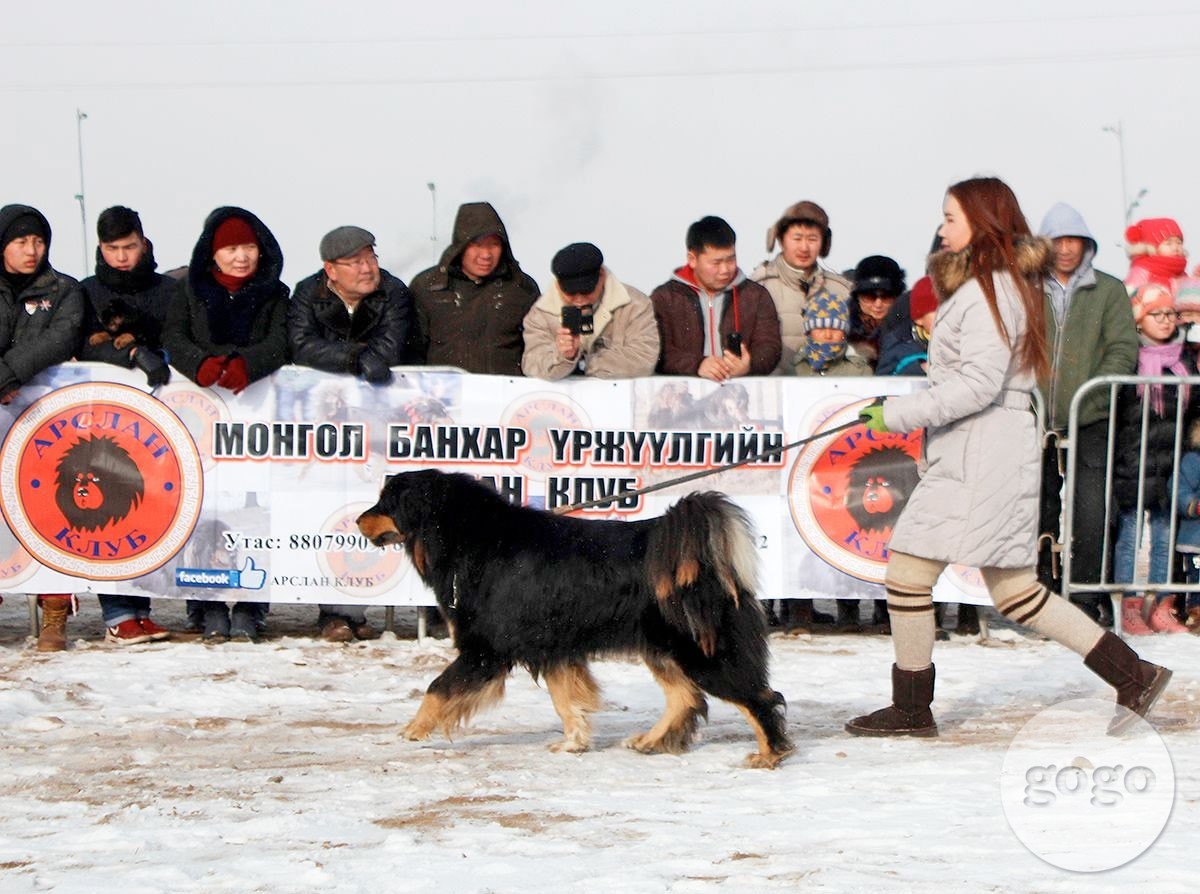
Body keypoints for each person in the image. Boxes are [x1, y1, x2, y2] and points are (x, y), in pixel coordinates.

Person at [847, 177, 1170, 738]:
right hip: (982, 451)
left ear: (981, 220)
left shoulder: (989, 291)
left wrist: (896, 415)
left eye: (951, 216)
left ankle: (912, 709)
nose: (942, 227)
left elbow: (975, 385)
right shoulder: (990, 286)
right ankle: (1133, 675)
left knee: (911, 574)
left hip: (982, 455)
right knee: (1015, 592)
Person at [164, 206, 290, 642]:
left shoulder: (276, 293)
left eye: (248, 247)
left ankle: (253, 605)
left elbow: (279, 342)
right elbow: (174, 338)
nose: (241, 257)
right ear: (213, 254)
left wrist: (247, 363)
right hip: (201, 419)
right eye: (231, 249)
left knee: (255, 510)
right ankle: (205, 603)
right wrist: (200, 362)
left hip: (256, 417)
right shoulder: (188, 291)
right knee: (205, 507)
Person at [289, 224, 414, 642]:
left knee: (376, 503)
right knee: (330, 505)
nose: (368, 268)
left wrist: (365, 361)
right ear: (331, 269)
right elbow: (301, 345)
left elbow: (393, 346)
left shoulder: (393, 292)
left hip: (383, 421)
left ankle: (371, 602)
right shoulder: (308, 294)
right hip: (326, 425)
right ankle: (336, 611)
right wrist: (355, 358)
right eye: (357, 261)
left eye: (371, 257)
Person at [1036, 203, 1139, 626]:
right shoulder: (1025, 289)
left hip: (1092, 416)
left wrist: (1091, 396)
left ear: (1087, 245)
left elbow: (1122, 348)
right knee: (1035, 505)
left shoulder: (1109, 290)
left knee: (1091, 506)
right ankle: (1040, 590)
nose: (1065, 249)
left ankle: (1085, 594)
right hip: (1033, 414)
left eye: (1073, 240)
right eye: (1057, 240)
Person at [79, 206, 177, 644]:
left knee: (149, 507)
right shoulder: (86, 292)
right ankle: (118, 612)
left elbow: (177, 339)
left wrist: (157, 354)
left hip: (159, 415)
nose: (122, 256)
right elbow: (79, 346)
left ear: (144, 243)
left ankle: (142, 606)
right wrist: (131, 354)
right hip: (103, 416)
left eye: (129, 247)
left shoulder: (167, 290)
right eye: (113, 249)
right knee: (107, 506)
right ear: (101, 248)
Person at [0, 204, 85, 651]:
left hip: (47, 422)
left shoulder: (63, 290)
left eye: (38, 241)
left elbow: (60, 339)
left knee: (50, 505)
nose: (32, 250)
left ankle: (54, 609)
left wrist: (7, 374)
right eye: (20, 242)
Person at [1112, 283, 1196, 634]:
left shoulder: (1184, 358)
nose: (1164, 321)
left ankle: (1161, 605)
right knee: (1131, 534)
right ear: (1139, 319)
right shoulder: (1129, 356)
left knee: (1164, 535)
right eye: (1155, 314)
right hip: (1135, 459)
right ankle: (1130, 606)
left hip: (1170, 459)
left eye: (1169, 314)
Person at [408, 201, 539, 375]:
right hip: (445, 397)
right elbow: (411, 353)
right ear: (461, 246)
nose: (486, 255)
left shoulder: (521, 287)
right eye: (477, 245)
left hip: (505, 396)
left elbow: (537, 348)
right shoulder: (428, 287)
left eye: (494, 244)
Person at [651, 215, 781, 380]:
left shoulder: (755, 295)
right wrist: (698, 365)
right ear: (692, 259)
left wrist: (750, 364)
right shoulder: (664, 298)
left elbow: (770, 346)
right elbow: (658, 352)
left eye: (731, 259)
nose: (725, 269)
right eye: (716, 263)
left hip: (742, 393)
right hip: (685, 396)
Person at [521, 242, 659, 379]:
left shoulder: (635, 305)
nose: (580, 299)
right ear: (557, 285)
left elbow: (644, 359)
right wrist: (563, 356)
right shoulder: (540, 313)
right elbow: (532, 365)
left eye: (587, 290)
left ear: (602, 276)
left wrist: (584, 364)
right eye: (570, 292)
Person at [750, 200, 852, 373]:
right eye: (797, 238)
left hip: (830, 391)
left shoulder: (841, 290)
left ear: (823, 243)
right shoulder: (760, 288)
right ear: (782, 240)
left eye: (812, 239)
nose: (804, 247)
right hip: (777, 388)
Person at [791, 287, 871, 377]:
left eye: (835, 329)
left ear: (844, 333)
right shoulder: (792, 369)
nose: (828, 335)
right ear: (809, 332)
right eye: (821, 329)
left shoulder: (860, 371)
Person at [847, 255, 906, 368]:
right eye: (869, 296)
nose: (878, 304)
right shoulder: (841, 327)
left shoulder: (909, 327)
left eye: (886, 296)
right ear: (857, 297)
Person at [1171, 418, 1200, 632]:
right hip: (1196, 536)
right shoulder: (1193, 460)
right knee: (1197, 576)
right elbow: (1178, 486)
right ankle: (1195, 611)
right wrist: (1192, 505)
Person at [1124, 217, 1187, 295]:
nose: (1175, 248)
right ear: (1153, 247)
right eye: (1168, 244)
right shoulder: (1142, 270)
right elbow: (1130, 295)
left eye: (1179, 243)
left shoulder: (1181, 273)